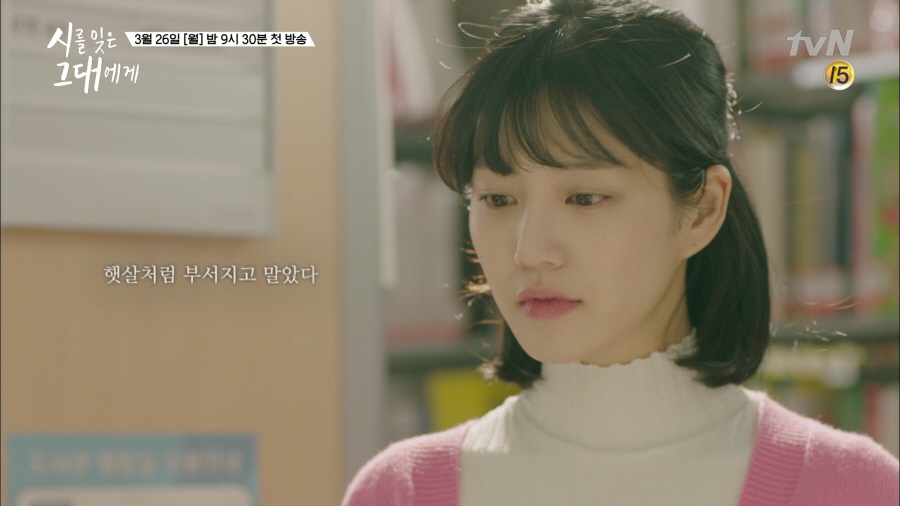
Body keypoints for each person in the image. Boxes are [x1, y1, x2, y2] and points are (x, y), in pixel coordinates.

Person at [342, 0, 900, 504]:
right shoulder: (399, 491)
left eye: (585, 198)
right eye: (497, 199)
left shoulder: (855, 489)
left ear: (703, 209)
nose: (530, 251)